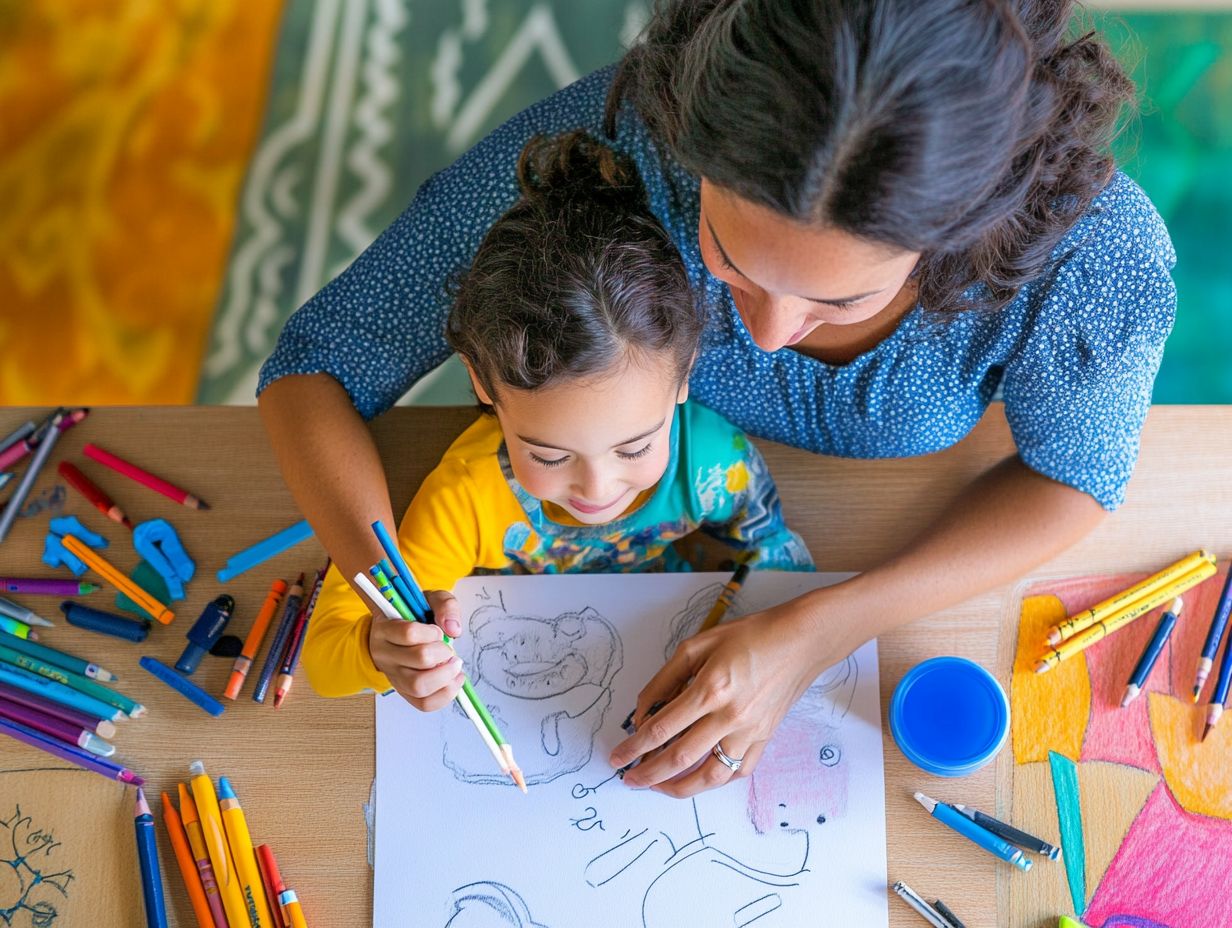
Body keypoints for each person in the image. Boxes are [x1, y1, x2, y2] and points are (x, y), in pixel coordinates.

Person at [258, 0, 1175, 796]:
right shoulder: (610, 149)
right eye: (726, 260)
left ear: (977, 227)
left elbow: (1075, 477)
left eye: (841, 299)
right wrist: (391, 603)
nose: (769, 334)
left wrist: (825, 625)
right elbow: (315, 366)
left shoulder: (1093, 255)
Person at [298, 131, 812, 704]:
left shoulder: (712, 464)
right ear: (481, 382)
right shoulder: (466, 501)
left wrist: (722, 644)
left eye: (635, 448)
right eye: (548, 455)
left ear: (685, 372)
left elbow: (775, 546)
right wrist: (378, 649)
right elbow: (323, 658)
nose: (595, 488)